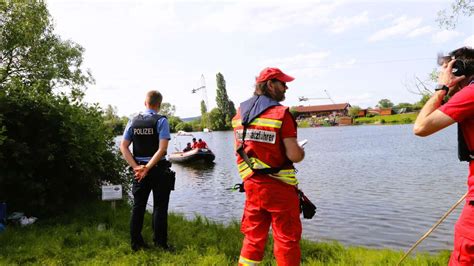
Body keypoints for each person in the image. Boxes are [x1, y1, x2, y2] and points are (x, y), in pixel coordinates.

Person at [232, 67, 305, 265]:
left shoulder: (239, 115)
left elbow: (241, 150)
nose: (286, 87)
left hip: (252, 186)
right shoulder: (281, 113)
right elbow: (294, 155)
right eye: (283, 83)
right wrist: (301, 151)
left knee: (253, 238)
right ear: (270, 84)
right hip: (279, 188)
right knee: (286, 239)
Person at [413, 46, 474, 265]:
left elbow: (421, 127)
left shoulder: (471, 93)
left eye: (447, 70)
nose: (443, 74)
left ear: (457, 71)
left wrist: (441, 88)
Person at [120, 90, 174, 252]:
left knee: (138, 207)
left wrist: (137, 167)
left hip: (138, 171)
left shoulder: (133, 121)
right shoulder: (161, 121)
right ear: (159, 105)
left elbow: (123, 146)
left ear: (145, 103)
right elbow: (162, 149)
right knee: (159, 207)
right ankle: (160, 244)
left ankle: (136, 243)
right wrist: (147, 168)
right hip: (157, 170)